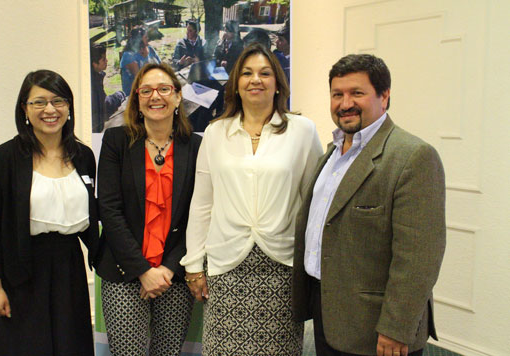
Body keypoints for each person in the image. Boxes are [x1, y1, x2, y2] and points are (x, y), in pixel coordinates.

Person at [292, 54, 446, 356]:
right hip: (329, 313)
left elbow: (419, 258)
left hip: (379, 330)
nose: (344, 103)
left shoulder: (413, 156)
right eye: (337, 94)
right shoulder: (332, 154)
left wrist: (396, 328)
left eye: (356, 93)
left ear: (384, 96)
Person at [180, 43, 323, 356]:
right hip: (226, 267)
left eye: (264, 73)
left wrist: (313, 265)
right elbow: (203, 203)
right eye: (246, 73)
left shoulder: (303, 131)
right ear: (236, 83)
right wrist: (193, 265)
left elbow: (314, 203)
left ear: (277, 83)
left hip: (282, 267)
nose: (255, 79)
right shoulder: (216, 133)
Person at [0, 70, 99, 356]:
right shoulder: (4, 158)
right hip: (20, 270)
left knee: (69, 344)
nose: (50, 110)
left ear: (68, 107)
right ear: (24, 109)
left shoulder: (83, 156)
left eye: (58, 101)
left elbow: (88, 219)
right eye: (39, 102)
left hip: (69, 269)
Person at [95, 62, 201, 356]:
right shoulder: (116, 142)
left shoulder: (196, 147)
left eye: (164, 89)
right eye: (146, 90)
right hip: (124, 270)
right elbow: (110, 209)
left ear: (178, 97)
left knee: (168, 352)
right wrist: (143, 271)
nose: (156, 96)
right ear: (137, 100)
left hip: (173, 273)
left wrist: (167, 269)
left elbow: (199, 214)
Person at [91, 44, 125, 133]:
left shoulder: (95, 76)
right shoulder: (93, 82)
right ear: (94, 64)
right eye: (103, 59)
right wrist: (119, 96)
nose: (107, 60)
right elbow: (104, 106)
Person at [120, 27, 161, 96]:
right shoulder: (129, 56)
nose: (148, 38)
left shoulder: (150, 49)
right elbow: (140, 79)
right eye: (145, 37)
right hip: (134, 94)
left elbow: (161, 66)